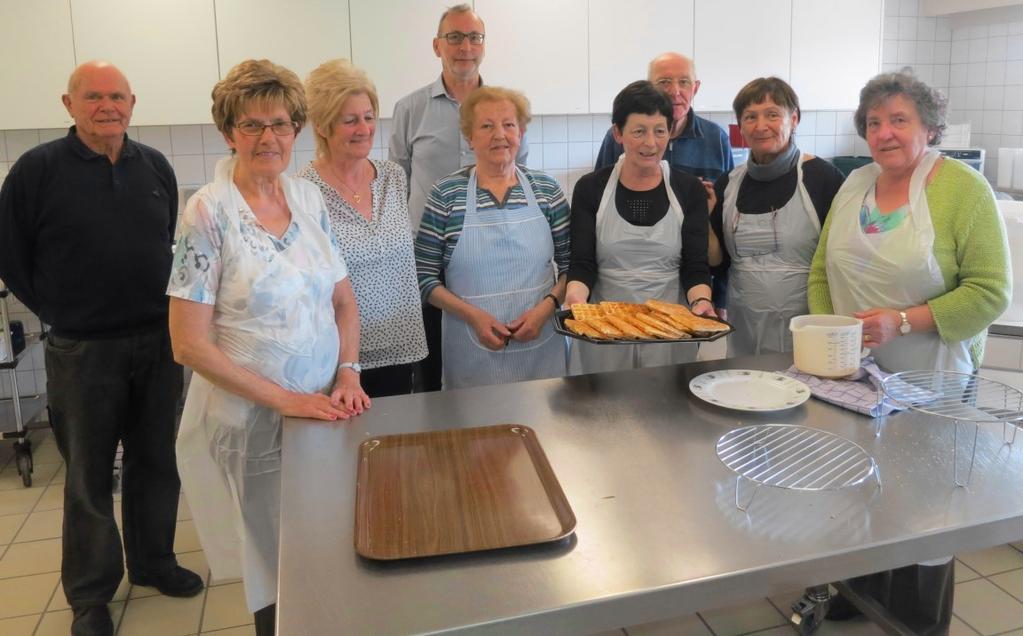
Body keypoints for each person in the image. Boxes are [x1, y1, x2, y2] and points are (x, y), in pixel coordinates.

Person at [167, 59, 369, 636]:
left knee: (328, 545)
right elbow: (188, 344)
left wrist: (349, 372)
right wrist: (284, 399)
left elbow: (344, 303)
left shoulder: (307, 200)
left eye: (280, 124)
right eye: (252, 125)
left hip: (326, 409)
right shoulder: (207, 212)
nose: (268, 138)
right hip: (251, 421)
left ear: (297, 131)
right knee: (274, 563)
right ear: (229, 132)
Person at [0, 61, 202, 636]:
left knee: (156, 460)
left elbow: (169, 244)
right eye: (94, 97)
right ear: (69, 104)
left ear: (132, 103)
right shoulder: (38, 170)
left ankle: (153, 561)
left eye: (117, 96)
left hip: (158, 342)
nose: (106, 106)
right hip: (81, 349)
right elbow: (10, 253)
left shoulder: (154, 166)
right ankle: (90, 595)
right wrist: (56, 312)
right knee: (88, 475)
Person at [808, 70, 1011, 635]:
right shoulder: (854, 186)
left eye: (899, 120)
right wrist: (833, 337)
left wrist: (901, 322)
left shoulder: (962, 191)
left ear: (929, 127)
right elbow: (823, 269)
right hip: (856, 373)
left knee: (927, 500)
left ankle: (919, 620)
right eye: (874, 122)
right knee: (859, 483)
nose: (884, 133)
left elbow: (991, 291)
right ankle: (858, 592)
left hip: (933, 373)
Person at [389, 3, 527, 392]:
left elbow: (520, 179)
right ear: (437, 46)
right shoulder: (410, 109)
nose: (465, 46)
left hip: (494, 259)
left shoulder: (506, 108)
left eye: (474, 37)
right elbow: (397, 184)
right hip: (431, 263)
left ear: (484, 45)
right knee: (433, 368)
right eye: (455, 37)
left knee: (498, 359)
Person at [415, 86, 568, 390]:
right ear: (469, 137)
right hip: (471, 349)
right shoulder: (446, 194)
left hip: (542, 347)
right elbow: (423, 278)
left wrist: (545, 309)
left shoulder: (546, 190)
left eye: (508, 124)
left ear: (520, 132)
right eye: (487, 126)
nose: (500, 134)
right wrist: (473, 316)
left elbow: (572, 266)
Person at [566, 81, 714, 375]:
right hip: (603, 333)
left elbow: (695, 266)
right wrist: (574, 301)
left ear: (670, 132)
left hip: (669, 331)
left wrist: (702, 302)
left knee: (665, 410)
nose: (650, 143)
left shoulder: (688, 190)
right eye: (639, 131)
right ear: (618, 133)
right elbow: (582, 262)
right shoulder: (591, 188)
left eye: (660, 131)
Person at [298, 59, 427, 397]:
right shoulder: (303, 191)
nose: (364, 128)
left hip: (400, 341)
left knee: (398, 444)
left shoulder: (393, 177)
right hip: (338, 354)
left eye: (369, 117)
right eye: (350, 120)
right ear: (323, 126)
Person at [710, 77, 844, 357]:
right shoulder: (728, 184)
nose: (761, 126)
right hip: (743, 329)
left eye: (772, 114)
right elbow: (717, 262)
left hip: (808, 330)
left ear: (793, 119)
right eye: (750, 117)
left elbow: (842, 259)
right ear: (740, 127)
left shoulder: (822, 178)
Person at [594, 52, 733, 182]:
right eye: (664, 82)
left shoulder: (717, 139)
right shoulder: (620, 137)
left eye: (684, 82)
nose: (675, 92)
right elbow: (600, 191)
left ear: (695, 88)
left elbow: (728, 202)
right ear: (649, 87)